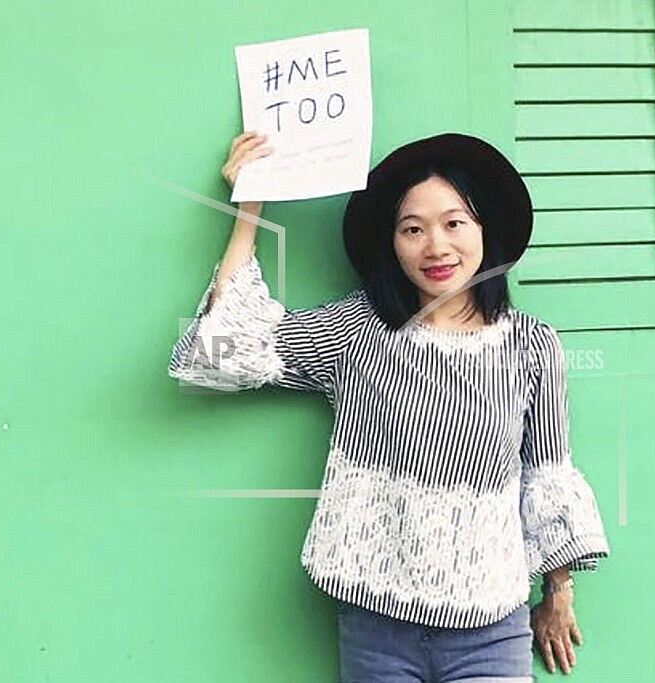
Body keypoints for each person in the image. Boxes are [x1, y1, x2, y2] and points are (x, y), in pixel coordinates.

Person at [168, 130, 612, 682]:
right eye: (413, 229)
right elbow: (222, 349)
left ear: (483, 230)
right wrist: (249, 207)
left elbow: (545, 472)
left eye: (455, 223)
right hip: (375, 628)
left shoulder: (531, 345)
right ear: (392, 243)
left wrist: (559, 591)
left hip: (491, 629)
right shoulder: (355, 329)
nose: (436, 246)